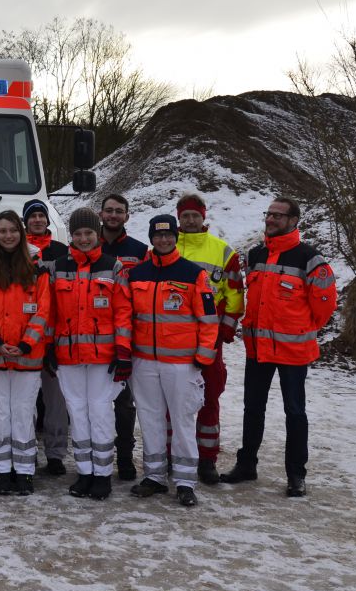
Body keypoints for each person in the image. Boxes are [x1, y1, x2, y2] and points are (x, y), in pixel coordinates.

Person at [220, 198, 337, 497]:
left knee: (295, 412)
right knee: (252, 409)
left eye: (278, 215)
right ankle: (247, 465)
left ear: (294, 220)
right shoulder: (256, 254)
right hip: (258, 349)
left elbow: (324, 305)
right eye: (268, 214)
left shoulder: (310, 258)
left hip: (292, 352)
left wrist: (300, 329)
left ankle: (297, 474)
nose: (270, 219)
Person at [127, 214, 218, 507]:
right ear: (151, 238)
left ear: (175, 237)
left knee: (181, 421)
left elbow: (208, 319)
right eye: (158, 235)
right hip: (144, 361)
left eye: (168, 235)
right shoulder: (137, 274)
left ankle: (185, 481)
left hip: (181, 364)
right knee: (150, 419)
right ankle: (154, 476)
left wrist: (204, 354)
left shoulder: (193, 274)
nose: (163, 240)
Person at [49, 207, 133, 500]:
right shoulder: (58, 267)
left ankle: (103, 475)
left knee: (100, 413)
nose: (83, 238)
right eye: (78, 234)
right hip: (68, 355)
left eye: (89, 233)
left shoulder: (114, 267)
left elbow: (123, 312)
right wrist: (48, 345)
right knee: (77, 412)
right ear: (71, 236)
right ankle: (85, 472)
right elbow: (50, 312)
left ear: (97, 235)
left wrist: (123, 351)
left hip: (103, 357)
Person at [0, 210, 50, 496]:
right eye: (2, 231)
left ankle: (25, 471)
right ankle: (2, 471)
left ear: (21, 233)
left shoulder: (37, 266)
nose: (8, 236)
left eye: (13, 230)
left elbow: (43, 308)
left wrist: (27, 342)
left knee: (24, 412)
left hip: (27, 355)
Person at [174, 193, 245, 485]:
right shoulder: (165, 245)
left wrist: (225, 328)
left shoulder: (223, 251)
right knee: (172, 401)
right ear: (178, 218)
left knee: (209, 397)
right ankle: (172, 456)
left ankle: (207, 460)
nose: (190, 221)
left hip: (209, 338)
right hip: (173, 338)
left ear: (204, 217)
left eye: (195, 215)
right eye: (185, 216)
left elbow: (235, 293)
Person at [98, 193, 148, 481]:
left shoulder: (140, 251)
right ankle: (99, 453)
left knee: (125, 402)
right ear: (101, 214)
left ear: (127, 216)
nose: (114, 215)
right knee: (98, 401)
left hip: (128, 334)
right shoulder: (87, 244)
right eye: (109, 210)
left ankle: (126, 457)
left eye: (119, 211)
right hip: (95, 335)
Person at [22, 199, 70, 477]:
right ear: (25, 221)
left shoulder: (62, 251)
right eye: (33, 216)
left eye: (42, 215)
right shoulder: (16, 251)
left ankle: (55, 454)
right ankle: (25, 451)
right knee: (25, 401)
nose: (38, 220)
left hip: (55, 336)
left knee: (56, 401)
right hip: (25, 335)